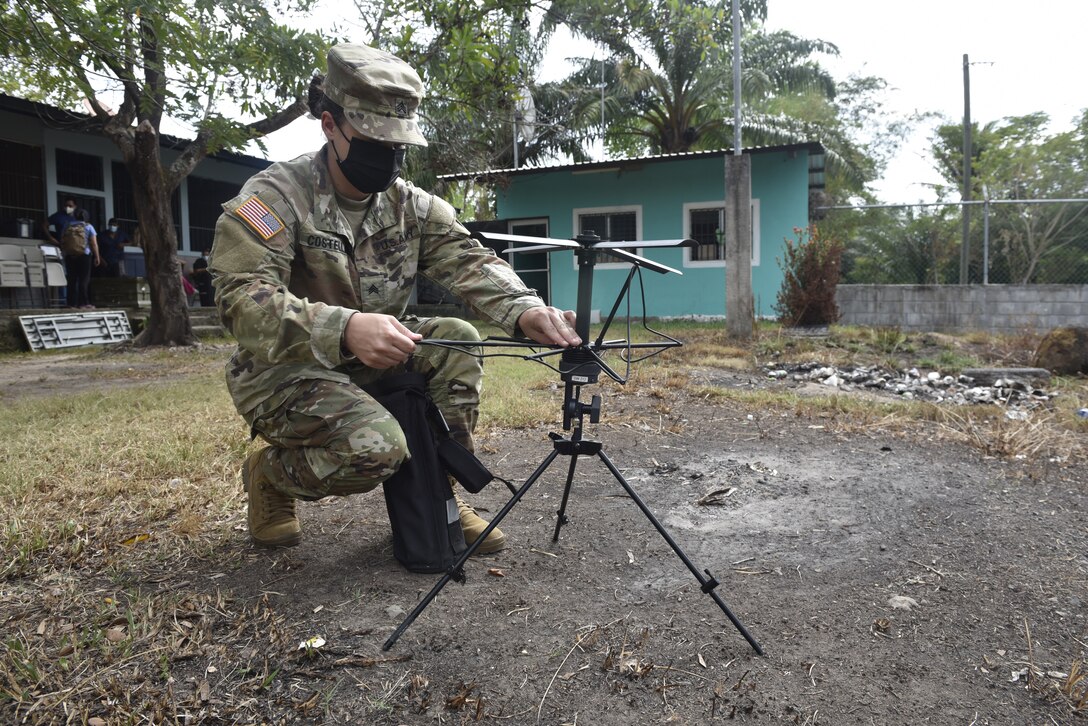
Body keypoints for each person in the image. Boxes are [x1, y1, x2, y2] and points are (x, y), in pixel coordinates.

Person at [210, 43, 580, 552]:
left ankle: (440, 493)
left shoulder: (412, 206)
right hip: (283, 370)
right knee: (378, 448)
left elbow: (471, 260)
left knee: (456, 339)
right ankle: (271, 474)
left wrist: (525, 309)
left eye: (396, 145)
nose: (385, 157)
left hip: (375, 355)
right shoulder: (274, 197)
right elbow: (240, 301)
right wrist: (343, 329)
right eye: (372, 141)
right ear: (329, 125)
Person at [62, 209, 100, 309]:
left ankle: (71, 303)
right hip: (84, 256)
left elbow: (63, 240)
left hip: (70, 256)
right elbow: (94, 243)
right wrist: (97, 256)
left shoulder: (67, 226)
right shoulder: (88, 226)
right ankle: (84, 303)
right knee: (84, 279)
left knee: (71, 280)